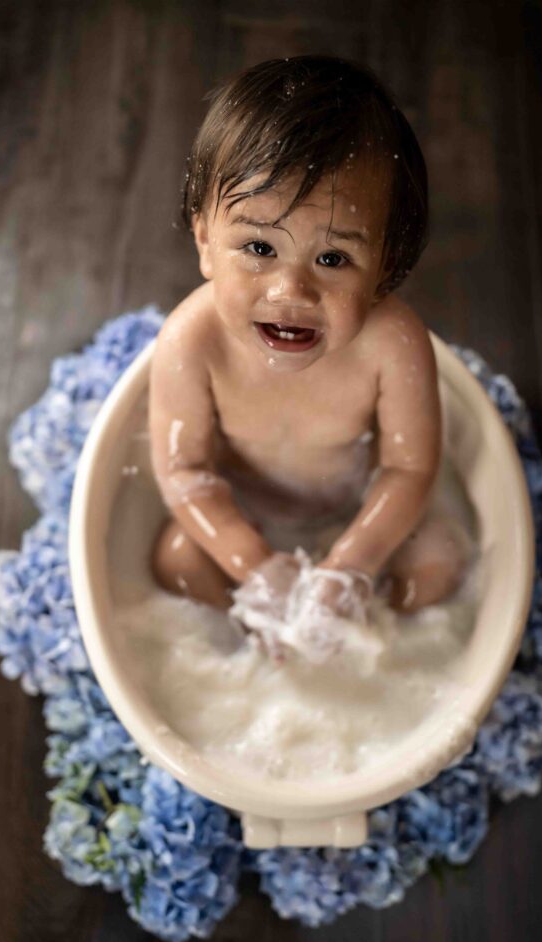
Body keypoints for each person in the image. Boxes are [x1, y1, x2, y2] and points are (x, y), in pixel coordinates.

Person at [149, 54, 469, 641]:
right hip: (243, 510)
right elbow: (185, 469)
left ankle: (370, 634)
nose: (290, 290)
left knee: (438, 564)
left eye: (332, 258)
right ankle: (254, 643)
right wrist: (255, 567)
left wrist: (351, 568)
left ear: (385, 269)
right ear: (204, 241)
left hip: (358, 514)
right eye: (259, 248)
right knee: (177, 561)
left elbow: (407, 467)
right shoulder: (190, 343)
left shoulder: (392, 345)